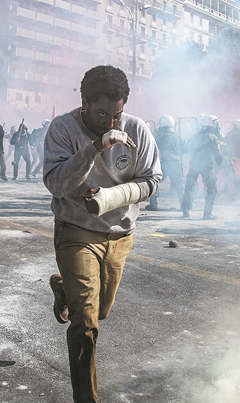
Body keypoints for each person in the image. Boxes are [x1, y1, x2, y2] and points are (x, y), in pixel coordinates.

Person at [43, 65, 161, 403]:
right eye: (102, 113)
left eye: (117, 113)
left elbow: (152, 180)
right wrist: (94, 147)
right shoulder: (63, 129)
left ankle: (64, 287)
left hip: (120, 234)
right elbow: (56, 184)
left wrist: (113, 196)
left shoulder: (137, 129)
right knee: (86, 323)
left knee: (102, 310)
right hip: (77, 232)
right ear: (84, 101)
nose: (111, 121)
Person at [182, 114, 223, 220]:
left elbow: (188, 148)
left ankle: (185, 211)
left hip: (194, 163)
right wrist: (219, 160)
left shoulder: (195, 135)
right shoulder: (213, 137)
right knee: (212, 188)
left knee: (189, 187)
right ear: (212, 124)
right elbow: (217, 153)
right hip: (206, 166)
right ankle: (207, 214)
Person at [145, 114, 183, 210]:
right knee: (179, 186)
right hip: (176, 163)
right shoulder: (176, 135)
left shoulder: (161, 135)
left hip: (166, 163)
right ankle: (185, 205)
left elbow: (154, 147)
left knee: (155, 182)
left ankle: (153, 204)